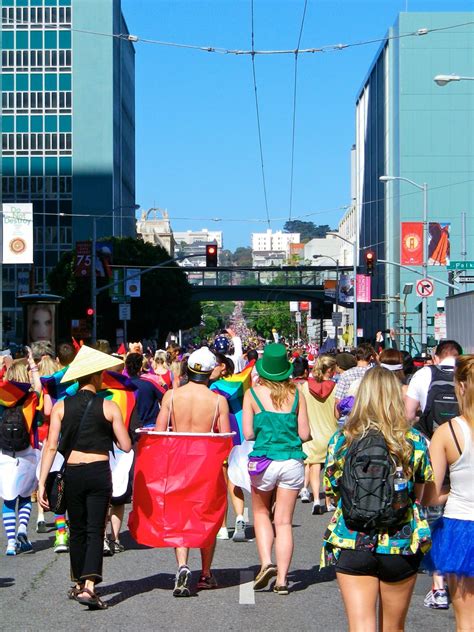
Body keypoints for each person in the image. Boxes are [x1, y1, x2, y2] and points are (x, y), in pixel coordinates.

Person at [322, 367, 433, 632]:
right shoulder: (413, 441)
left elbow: (332, 491)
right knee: (394, 627)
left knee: (360, 625)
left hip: (352, 538)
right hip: (400, 542)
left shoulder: (342, 440)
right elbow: (421, 496)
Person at [38, 345, 131, 610]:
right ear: (96, 376)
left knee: (76, 528)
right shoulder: (110, 406)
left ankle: (79, 582)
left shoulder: (60, 407)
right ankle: (90, 586)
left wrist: (42, 482)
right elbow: (125, 445)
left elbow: (51, 446)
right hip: (99, 472)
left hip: (73, 471)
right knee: (94, 528)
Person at [155, 347, 230, 597]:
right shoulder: (218, 400)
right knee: (207, 517)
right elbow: (225, 440)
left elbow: (159, 433)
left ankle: (182, 566)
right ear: (210, 372)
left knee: (179, 517)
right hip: (206, 464)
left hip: (177, 462)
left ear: (188, 369)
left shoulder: (171, 396)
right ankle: (206, 573)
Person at [242, 343, 310, 595]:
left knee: (260, 514)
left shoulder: (253, 394)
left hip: (264, 461)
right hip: (292, 461)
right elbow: (305, 433)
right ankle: (282, 580)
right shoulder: (297, 394)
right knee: (283, 522)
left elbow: (248, 432)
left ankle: (266, 563)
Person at [405, 339, 463, 609]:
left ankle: (439, 587)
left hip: (435, 448)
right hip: (467, 449)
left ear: (436, 357)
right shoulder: (468, 373)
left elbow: (408, 415)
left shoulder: (425, 374)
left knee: (435, 513)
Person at [422, 355, 474, 631]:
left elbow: (429, 496)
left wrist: (452, 491)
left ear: (462, 387)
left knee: (466, 619)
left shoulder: (447, 432)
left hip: (461, 525)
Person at [0, 351, 42, 555]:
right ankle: (22, 530)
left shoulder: (2, 398)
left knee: (8, 500)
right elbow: (40, 389)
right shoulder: (31, 397)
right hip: (28, 451)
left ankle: (10, 543)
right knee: (25, 496)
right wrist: (33, 365)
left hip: (4, 453)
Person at [300, 355, 338, 514]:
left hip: (312, 434)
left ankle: (316, 499)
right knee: (331, 470)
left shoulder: (304, 387)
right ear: (329, 370)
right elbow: (337, 414)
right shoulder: (335, 387)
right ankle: (329, 502)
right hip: (330, 432)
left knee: (314, 466)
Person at [125, 353, 162, 427]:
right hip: (150, 426)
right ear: (141, 367)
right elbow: (165, 397)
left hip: (131, 427)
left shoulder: (123, 386)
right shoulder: (149, 383)